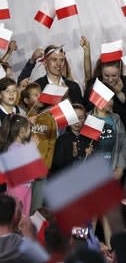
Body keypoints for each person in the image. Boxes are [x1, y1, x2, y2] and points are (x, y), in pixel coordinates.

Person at [19, 83, 57, 213]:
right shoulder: (21, 120)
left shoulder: (49, 119)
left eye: (41, 94)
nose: (40, 97)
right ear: (26, 100)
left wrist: (45, 166)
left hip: (41, 170)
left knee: (37, 209)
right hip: (24, 172)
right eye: (35, 95)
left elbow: (51, 144)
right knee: (23, 209)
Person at [0, 114, 35, 215]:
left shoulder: (20, 146)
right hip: (18, 189)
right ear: (22, 131)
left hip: (25, 187)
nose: (30, 131)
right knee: (17, 217)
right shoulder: (14, 149)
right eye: (29, 128)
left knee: (23, 216)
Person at [50, 103, 93, 177]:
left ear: (85, 119)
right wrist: (72, 157)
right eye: (74, 117)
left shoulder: (89, 140)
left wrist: (91, 155)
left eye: (80, 118)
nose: (77, 121)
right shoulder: (62, 139)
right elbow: (55, 164)